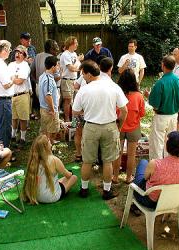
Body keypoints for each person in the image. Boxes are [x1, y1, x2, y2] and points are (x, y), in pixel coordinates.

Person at [73, 60, 128, 200]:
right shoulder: (113, 86)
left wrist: (86, 113)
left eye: (83, 74)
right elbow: (124, 110)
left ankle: (84, 189)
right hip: (110, 126)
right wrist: (119, 126)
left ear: (89, 74)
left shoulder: (84, 90)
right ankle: (106, 191)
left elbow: (75, 111)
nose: (82, 77)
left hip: (91, 126)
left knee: (87, 161)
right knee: (108, 161)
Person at [130, 131, 179, 216]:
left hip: (149, 201)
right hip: (171, 202)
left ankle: (135, 205)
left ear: (167, 146)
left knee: (143, 162)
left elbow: (146, 178)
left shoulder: (155, 163)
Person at [146, 55, 179, 160]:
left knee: (157, 143)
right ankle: (169, 163)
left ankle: (157, 167)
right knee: (170, 142)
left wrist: (148, 95)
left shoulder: (160, 83)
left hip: (161, 116)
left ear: (163, 65)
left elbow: (155, 103)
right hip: (174, 115)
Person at [21, 135, 77, 204]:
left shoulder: (33, 160)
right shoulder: (54, 159)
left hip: (34, 195)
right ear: (46, 146)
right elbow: (68, 175)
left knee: (59, 180)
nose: (50, 141)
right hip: (51, 197)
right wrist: (70, 173)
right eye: (48, 140)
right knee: (73, 177)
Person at [113, 69, 145, 184]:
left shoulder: (117, 94)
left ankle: (115, 177)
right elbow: (142, 113)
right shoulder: (138, 96)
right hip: (134, 128)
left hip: (118, 127)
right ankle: (128, 177)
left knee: (118, 153)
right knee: (132, 155)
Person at [8, 45, 31, 148]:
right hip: (11, 95)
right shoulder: (10, 65)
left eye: (20, 53)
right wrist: (14, 78)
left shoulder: (25, 65)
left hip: (22, 95)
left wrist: (12, 77)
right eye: (16, 52)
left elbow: (19, 81)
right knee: (13, 117)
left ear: (24, 55)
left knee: (23, 118)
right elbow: (7, 78)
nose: (17, 54)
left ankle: (22, 138)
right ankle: (12, 135)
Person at [60, 36, 84, 122]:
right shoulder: (65, 54)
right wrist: (78, 60)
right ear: (71, 44)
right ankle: (67, 119)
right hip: (67, 80)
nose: (77, 44)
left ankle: (74, 118)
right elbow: (71, 68)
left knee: (75, 100)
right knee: (68, 100)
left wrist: (78, 63)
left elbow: (78, 67)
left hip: (74, 80)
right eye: (76, 43)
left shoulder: (74, 54)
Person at [39, 56, 61, 143]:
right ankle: (48, 146)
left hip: (43, 108)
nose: (58, 67)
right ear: (53, 67)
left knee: (46, 129)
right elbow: (48, 96)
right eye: (57, 65)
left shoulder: (42, 76)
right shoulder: (48, 80)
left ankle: (49, 142)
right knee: (51, 130)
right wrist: (52, 110)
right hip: (49, 110)